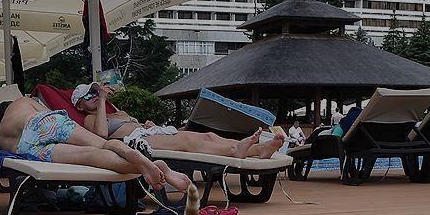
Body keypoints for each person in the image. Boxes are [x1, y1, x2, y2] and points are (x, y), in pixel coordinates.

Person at [0, 94, 191, 191]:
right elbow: (47, 113)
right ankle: (137, 156)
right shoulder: (21, 102)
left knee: (89, 156)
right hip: (41, 123)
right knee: (102, 144)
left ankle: (141, 167)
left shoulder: (2, 137)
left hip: (25, 148)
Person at [72, 82, 284, 160]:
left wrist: (147, 124)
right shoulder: (89, 119)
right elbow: (101, 135)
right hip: (135, 142)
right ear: (79, 106)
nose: (94, 96)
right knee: (188, 143)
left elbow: (129, 124)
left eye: (95, 92)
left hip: (150, 133)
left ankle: (259, 150)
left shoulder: (114, 113)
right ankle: (235, 150)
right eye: (88, 95)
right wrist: (102, 98)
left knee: (208, 135)